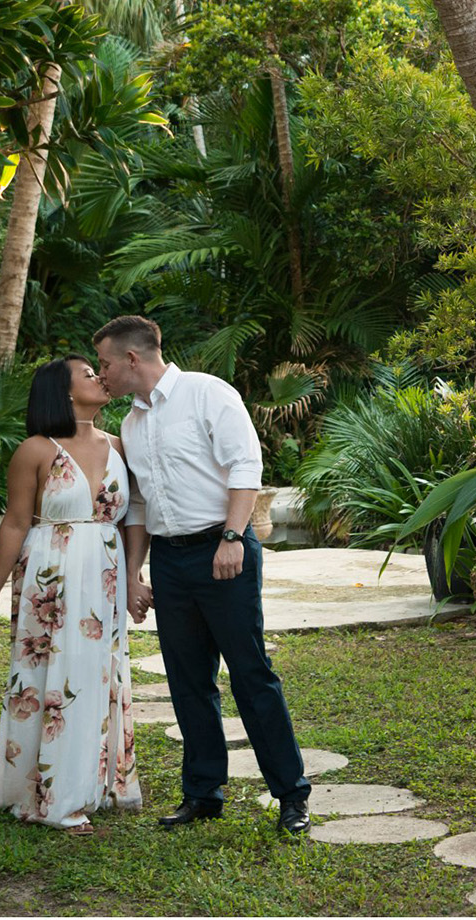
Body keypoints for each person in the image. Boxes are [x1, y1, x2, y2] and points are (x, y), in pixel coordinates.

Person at [90, 314, 311, 836]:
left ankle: (291, 794)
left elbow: (245, 468)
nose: (101, 375)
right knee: (188, 682)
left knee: (251, 674)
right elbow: (139, 504)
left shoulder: (208, 394)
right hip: (170, 560)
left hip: (223, 547)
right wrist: (136, 573)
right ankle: (204, 793)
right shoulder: (131, 423)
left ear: (131, 359)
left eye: (103, 363)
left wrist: (233, 538)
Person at [0, 356, 144, 833]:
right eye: (88, 373)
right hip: (50, 576)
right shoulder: (35, 450)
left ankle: (95, 784)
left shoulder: (120, 445)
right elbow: (15, 522)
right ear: (64, 392)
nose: (99, 377)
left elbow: (133, 519)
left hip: (104, 575)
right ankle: (51, 796)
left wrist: (134, 577)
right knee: (48, 677)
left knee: (95, 674)